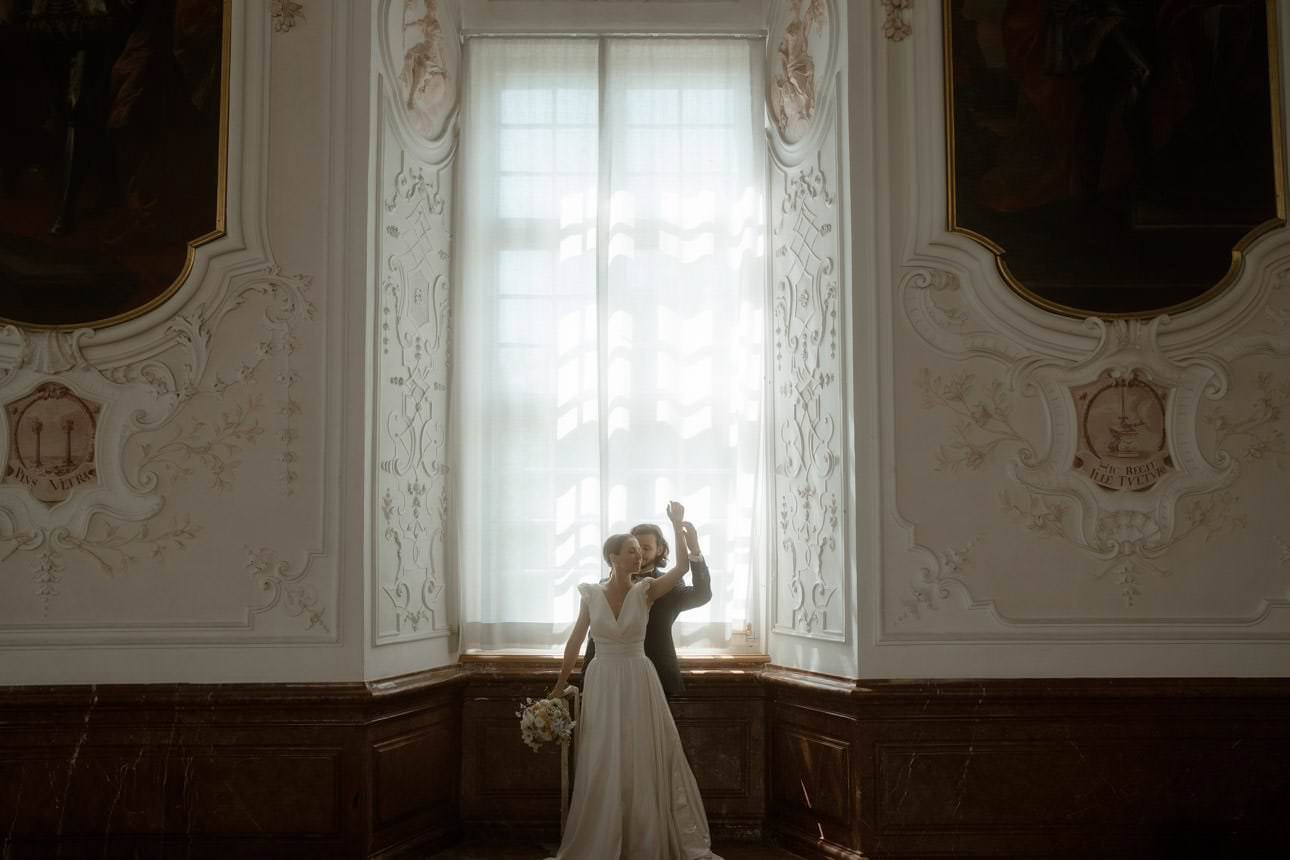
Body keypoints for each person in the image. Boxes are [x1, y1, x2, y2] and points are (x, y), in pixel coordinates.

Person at [546, 501, 722, 860]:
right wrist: (559, 684)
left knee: (643, 756)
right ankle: (603, 833)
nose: (639, 556)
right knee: (603, 756)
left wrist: (678, 526)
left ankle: (643, 834)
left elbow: (685, 571)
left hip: (642, 679)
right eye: (632, 551)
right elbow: (577, 641)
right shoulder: (591, 593)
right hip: (603, 681)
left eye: (643, 550)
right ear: (613, 557)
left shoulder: (650, 590)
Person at [583, 520, 712, 699]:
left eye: (645, 548)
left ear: (659, 550)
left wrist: (695, 551)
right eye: (634, 547)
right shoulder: (603, 586)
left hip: (656, 677)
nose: (639, 554)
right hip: (610, 679)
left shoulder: (670, 584)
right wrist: (586, 678)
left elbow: (702, 595)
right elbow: (595, 636)